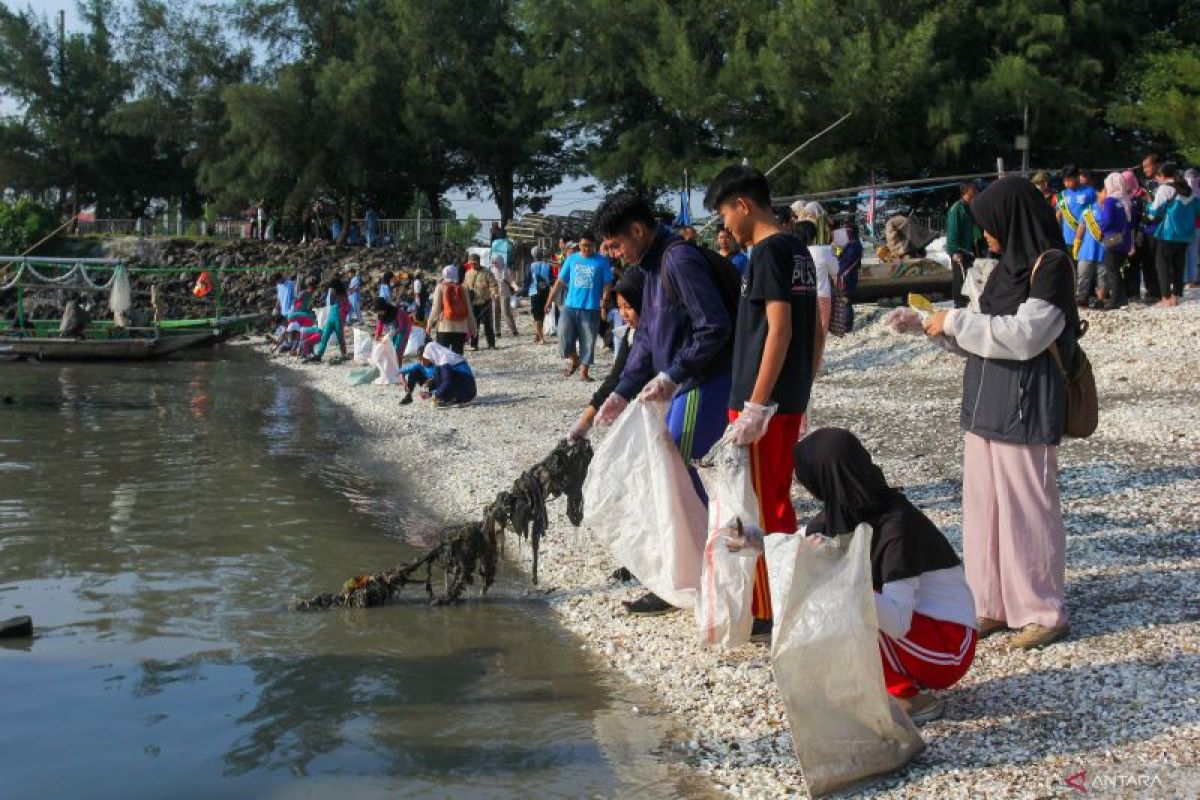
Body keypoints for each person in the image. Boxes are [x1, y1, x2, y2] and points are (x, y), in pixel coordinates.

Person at [922, 177, 1078, 650]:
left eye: (990, 225)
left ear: (1013, 218)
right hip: (986, 401)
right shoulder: (1004, 268)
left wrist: (956, 321)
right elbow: (984, 335)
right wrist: (935, 329)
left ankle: (1042, 608)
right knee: (984, 508)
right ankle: (990, 601)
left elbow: (1026, 335)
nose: (986, 235)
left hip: (1026, 402)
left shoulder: (1051, 266)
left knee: (1027, 509)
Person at [730, 428, 976, 723]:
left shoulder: (897, 527)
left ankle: (911, 699)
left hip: (947, 647)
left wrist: (835, 574)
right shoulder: (845, 509)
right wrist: (754, 541)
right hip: (920, 635)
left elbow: (897, 622)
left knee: (837, 599)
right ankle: (883, 687)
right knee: (822, 590)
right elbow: (798, 544)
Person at [593, 192, 734, 616]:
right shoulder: (653, 267)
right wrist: (620, 391)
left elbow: (714, 327)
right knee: (672, 471)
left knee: (674, 467)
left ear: (638, 230)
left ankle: (712, 571)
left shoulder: (678, 260)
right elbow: (649, 339)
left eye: (616, 244)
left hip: (707, 379)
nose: (615, 254)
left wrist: (672, 376)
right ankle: (686, 568)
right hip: (686, 381)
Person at [706, 165, 820, 637]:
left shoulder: (768, 253)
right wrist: (800, 388)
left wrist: (756, 404)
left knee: (760, 505)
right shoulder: (799, 250)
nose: (726, 227)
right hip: (785, 400)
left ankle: (768, 606)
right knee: (773, 497)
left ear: (744, 204)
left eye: (726, 214)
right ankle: (776, 598)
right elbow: (812, 328)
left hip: (764, 402)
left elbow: (781, 328)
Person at [569, 267, 645, 440]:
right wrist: (586, 419)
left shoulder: (658, 335)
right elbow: (616, 376)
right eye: (619, 307)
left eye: (629, 307)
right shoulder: (630, 333)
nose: (623, 314)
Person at [545, 232, 613, 381]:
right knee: (563, 338)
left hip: (591, 308)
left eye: (589, 246)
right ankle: (574, 359)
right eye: (583, 245)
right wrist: (549, 300)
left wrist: (605, 298)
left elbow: (608, 282)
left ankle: (584, 372)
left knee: (588, 340)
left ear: (594, 246)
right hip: (569, 306)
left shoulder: (602, 261)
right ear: (579, 245)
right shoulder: (572, 259)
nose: (586, 248)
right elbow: (560, 281)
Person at [1149, 163, 1200, 307]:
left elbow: (1154, 211)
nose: (1157, 179)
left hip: (1168, 233)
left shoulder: (1164, 189)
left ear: (1163, 176)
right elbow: (1198, 210)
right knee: (1179, 264)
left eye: (1158, 176)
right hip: (1185, 234)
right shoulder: (1189, 190)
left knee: (1162, 264)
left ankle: (1166, 297)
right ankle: (1177, 294)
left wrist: (1147, 205)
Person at [1097, 172, 1133, 309]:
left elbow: (1107, 220)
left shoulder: (1110, 201)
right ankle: (1122, 298)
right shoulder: (1126, 200)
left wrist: (1100, 230)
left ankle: (1115, 300)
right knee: (1118, 269)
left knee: (1111, 270)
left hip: (1112, 238)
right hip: (1125, 239)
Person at [405, 342, 477, 408]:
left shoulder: (444, 359)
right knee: (437, 373)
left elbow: (448, 381)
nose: (422, 362)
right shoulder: (442, 357)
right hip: (468, 389)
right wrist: (428, 386)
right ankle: (445, 397)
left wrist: (435, 396)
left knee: (438, 373)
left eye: (424, 357)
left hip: (467, 391)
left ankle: (447, 398)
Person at [1123, 169, 1159, 303]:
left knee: (1146, 264)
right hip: (1137, 234)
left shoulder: (1142, 195)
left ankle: (1152, 292)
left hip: (1144, 234)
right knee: (1132, 264)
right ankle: (1133, 292)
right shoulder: (1127, 196)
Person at [426, 265, 477, 355]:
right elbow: (469, 308)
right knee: (457, 356)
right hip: (461, 327)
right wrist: (473, 326)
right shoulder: (463, 288)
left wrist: (429, 324)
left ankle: (445, 369)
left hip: (444, 326)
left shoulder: (440, 287)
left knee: (443, 355)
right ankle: (456, 369)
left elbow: (435, 308)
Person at [945, 182, 981, 308]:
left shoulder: (969, 207)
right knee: (960, 278)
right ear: (966, 192)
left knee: (969, 277)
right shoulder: (956, 209)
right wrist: (954, 250)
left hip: (969, 248)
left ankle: (967, 301)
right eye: (973, 190)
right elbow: (952, 231)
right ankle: (959, 303)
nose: (976, 192)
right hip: (959, 249)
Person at [1055, 164, 1096, 262]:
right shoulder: (1062, 195)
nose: (1067, 183)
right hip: (1067, 240)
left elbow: (1096, 213)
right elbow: (1058, 215)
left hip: (1085, 239)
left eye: (1069, 180)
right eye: (1065, 181)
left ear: (1077, 177)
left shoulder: (1090, 192)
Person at [1072, 190, 1106, 307]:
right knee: (1083, 274)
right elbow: (1081, 228)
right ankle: (1081, 298)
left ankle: (1101, 299)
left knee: (1102, 275)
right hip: (1087, 248)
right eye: (1104, 193)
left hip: (1103, 248)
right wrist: (1077, 242)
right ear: (1098, 193)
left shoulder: (1110, 209)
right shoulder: (1088, 210)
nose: (1106, 196)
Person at [309, 277, 349, 363]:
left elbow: (346, 308)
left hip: (338, 318)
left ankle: (344, 354)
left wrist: (343, 318)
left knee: (340, 338)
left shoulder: (342, 297)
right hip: (331, 317)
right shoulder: (334, 294)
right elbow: (327, 302)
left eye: (332, 288)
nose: (330, 290)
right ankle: (319, 355)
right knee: (324, 336)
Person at [463, 253, 498, 350]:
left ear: (479, 262)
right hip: (473, 303)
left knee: (488, 324)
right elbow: (465, 286)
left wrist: (494, 293)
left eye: (475, 263)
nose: (473, 265)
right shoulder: (468, 273)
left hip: (485, 301)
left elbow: (493, 284)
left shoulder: (487, 272)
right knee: (474, 325)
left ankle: (491, 344)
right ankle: (474, 345)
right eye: (471, 263)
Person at [833, 220, 863, 331]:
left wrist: (838, 252)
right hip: (847, 277)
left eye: (845, 230)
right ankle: (846, 324)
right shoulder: (852, 244)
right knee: (844, 301)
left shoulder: (853, 245)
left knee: (846, 300)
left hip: (846, 278)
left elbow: (845, 262)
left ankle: (847, 326)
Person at [525, 246, 554, 344]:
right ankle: (537, 336)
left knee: (536, 316)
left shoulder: (530, 266)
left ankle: (541, 338)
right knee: (542, 314)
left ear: (533, 255)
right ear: (542, 254)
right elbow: (551, 280)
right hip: (546, 292)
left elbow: (527, 281)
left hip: (534, 292)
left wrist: (522, 291)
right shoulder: (548, 266)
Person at [491, 255, 519, 337]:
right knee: (495, 313)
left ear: (500, 261)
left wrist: (516, 287)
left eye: (495, 262)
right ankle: (497, 332)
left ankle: (514, 330)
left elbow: (511, 281)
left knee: (506, 312)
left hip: (504, 294)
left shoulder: (506, 270)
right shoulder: (491, 270)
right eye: (493, 262)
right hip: (494, 294)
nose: (494, 264)